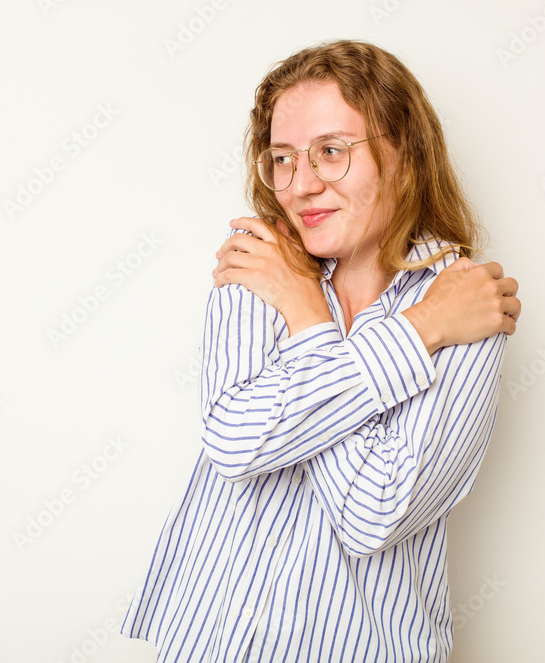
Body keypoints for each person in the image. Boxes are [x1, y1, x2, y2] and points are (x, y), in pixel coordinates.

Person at [121, 40, 521, 662]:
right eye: (282, 158)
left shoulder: (466, 302)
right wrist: (419, 331)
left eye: (331, 152)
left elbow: (374, 512)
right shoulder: (261, 266)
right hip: (211, 640)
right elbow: (233, 441)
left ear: (405, 155)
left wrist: (308, 320)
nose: (301, 185)